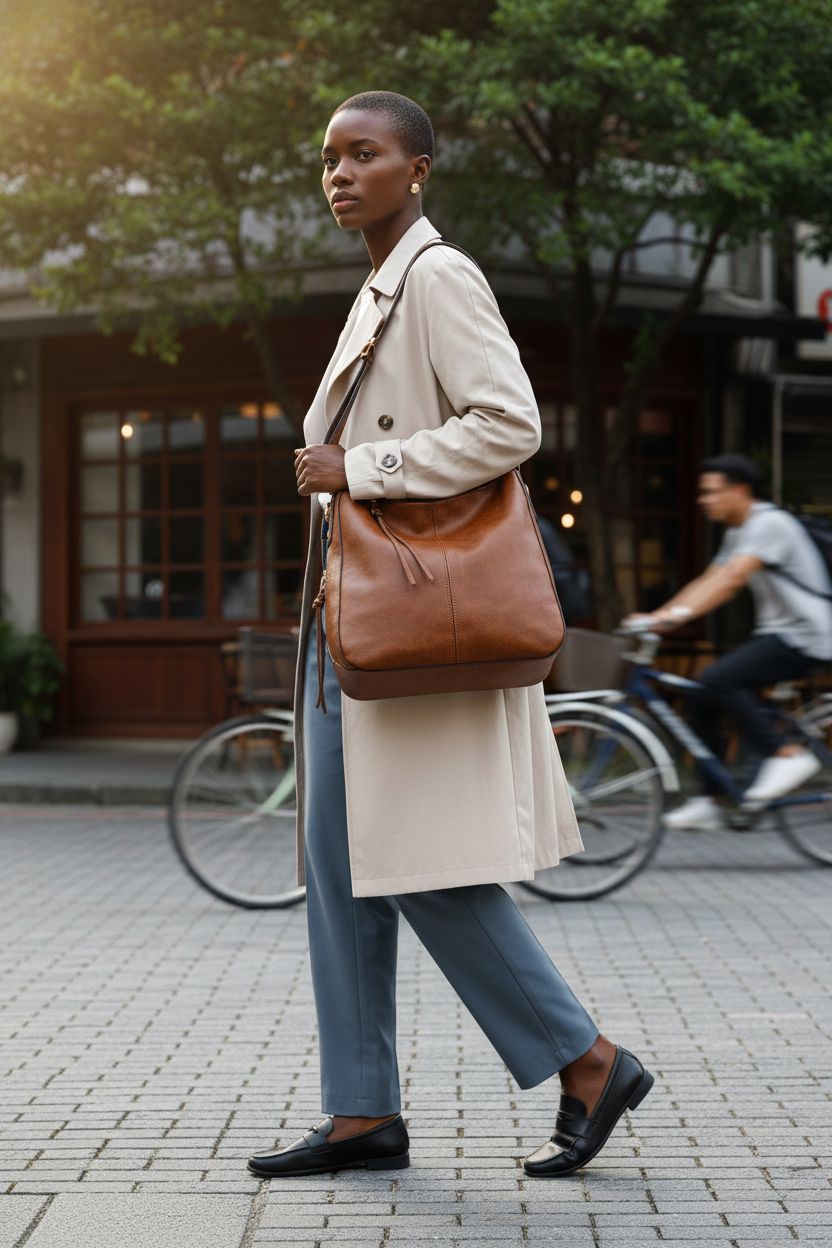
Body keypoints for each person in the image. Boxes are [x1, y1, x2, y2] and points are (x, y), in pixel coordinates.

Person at [246, 91, 652, 1181]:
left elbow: (509, 422)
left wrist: (364, 467)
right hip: (349, 626)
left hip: (412, 629)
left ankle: (587, 1061)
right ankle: (361, 1112)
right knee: (340, 866)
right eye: (329, 157)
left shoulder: (438, 275)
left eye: (364, 153)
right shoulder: (379, 287)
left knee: (414, 861)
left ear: (417, 168)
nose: (339, 173)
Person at [627, 453, 832, 830]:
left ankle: (786, 754)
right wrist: (660, 616)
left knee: (718, 680)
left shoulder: (769, 523)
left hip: (807, 635)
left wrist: (674, 618)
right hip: (780, 633)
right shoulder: (740, 531)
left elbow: (732, 580)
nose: (704, 500)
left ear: (741, 491)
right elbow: (709, 579)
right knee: (700, 694)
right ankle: (712, 799)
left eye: (713, 492)